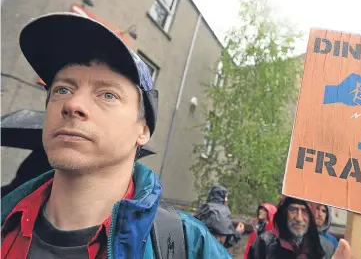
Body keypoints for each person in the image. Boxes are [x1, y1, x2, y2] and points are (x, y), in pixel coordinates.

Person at [1, 13, 231, 259]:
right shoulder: (6, 220)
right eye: (63, 89)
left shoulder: (189, 245)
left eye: (108, 95)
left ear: (143, 130)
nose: (73, 104)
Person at [247, 196, 335, 259]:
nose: (299, 218)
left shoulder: (325, 247)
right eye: (293, 209)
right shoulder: (264, 243)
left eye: (304, 211)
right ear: (284, 213)